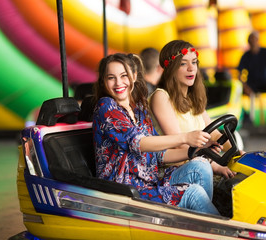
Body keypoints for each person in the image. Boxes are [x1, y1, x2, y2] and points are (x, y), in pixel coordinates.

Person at [93, 52, 220, 215]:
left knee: (200, 165)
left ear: (134, 76)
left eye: (124, 75)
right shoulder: (106, 107)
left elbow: (159, 154)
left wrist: (197, 150)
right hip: (125, 192)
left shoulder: (138, 109)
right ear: (103, 82)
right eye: (111, 78)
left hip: (150, 183)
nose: (118, 83)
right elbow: (139, 143)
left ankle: (198, 227)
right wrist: (186, 137)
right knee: (193, 193)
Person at [149, 40, 238, 179]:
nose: (191, 68)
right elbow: (179, 145)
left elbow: (214, 134)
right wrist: (216, 166)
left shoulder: (193, 97)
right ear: (171, 68)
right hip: (175, 171)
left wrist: (238, 153)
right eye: (183, 63)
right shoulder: (161, 97)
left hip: (201, 163)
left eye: (194, 62)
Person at [237, 31, 266, 126]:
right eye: (251, 40)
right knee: (236, 95)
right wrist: (245, 86)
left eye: (255, 39)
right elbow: (239, 75)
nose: (253, 42)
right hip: (251, 85)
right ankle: (247, 117)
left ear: (258, 40)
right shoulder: (245, 56)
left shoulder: (265, 52)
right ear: (248, 42)